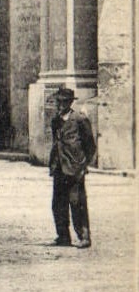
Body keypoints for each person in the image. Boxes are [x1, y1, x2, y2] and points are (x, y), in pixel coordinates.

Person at [49, 86, 96, 248]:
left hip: (75, 168)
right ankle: (63, 236)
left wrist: (83, 165)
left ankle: (84, 236)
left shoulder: (80, 119)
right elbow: (56, 143)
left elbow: (90, 145)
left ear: (69, 103)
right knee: (58, 203)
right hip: (59, 168)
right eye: (58, 102)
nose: (59, 105)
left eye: (62, 102)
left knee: (77, 203)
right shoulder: (55, 121)